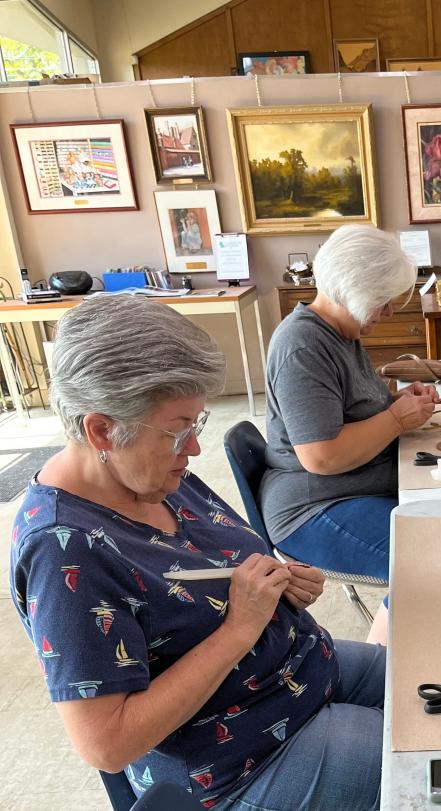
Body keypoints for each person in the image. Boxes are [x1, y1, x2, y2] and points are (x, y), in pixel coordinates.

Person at [9, 294, 385, 810]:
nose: (194, 449)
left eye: (196, 424)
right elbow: (106, 744)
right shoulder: (63, 550)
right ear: (101, 430)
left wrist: (281, 584)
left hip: (296, 671)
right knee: (436, 764)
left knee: (432, 686)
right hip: (242, 758)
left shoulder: (149, 474)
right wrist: (239, 627)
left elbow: (215, 571)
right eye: (178, 430)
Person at [261, 225, 441, 644]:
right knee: (428, 558)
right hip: (313, 507)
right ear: (356, 289)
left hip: (348, 489)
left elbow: (354, 411)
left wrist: (398, 402)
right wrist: (396, 420)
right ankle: (379, 671)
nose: (390, 313)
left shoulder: (342, 334)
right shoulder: (303, 345)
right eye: (384, 301)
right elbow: (321, 456)